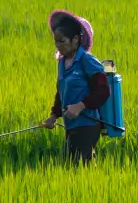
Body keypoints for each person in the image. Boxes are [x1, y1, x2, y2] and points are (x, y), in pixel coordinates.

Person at [41, 11, 109, 163]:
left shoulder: (86, 60)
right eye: (55, 42)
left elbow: (103, 91)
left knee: (76, 167)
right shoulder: (62, 62)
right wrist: (54, 115)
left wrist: (80, 106)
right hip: (70, 125)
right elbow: (61, 92)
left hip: (87, 124)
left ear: (75, 39)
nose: (58, 46)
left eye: (62, 41)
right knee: (75, 167)